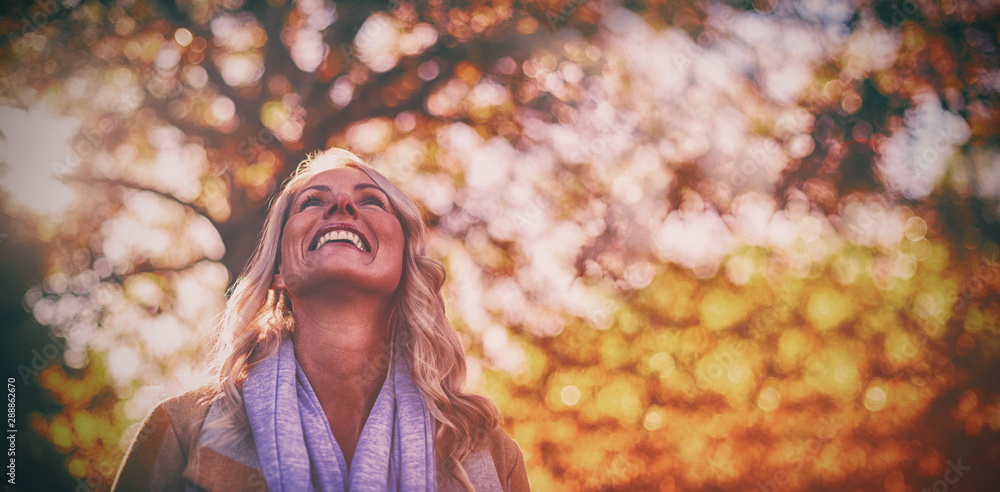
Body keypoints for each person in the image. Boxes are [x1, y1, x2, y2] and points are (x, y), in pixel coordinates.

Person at [113, 148, 530, 491]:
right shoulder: (181, 431)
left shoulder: (490, 454)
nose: (342, 205)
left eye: (371, 200)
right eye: (312, 201)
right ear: (277, 269)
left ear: (405, 264)